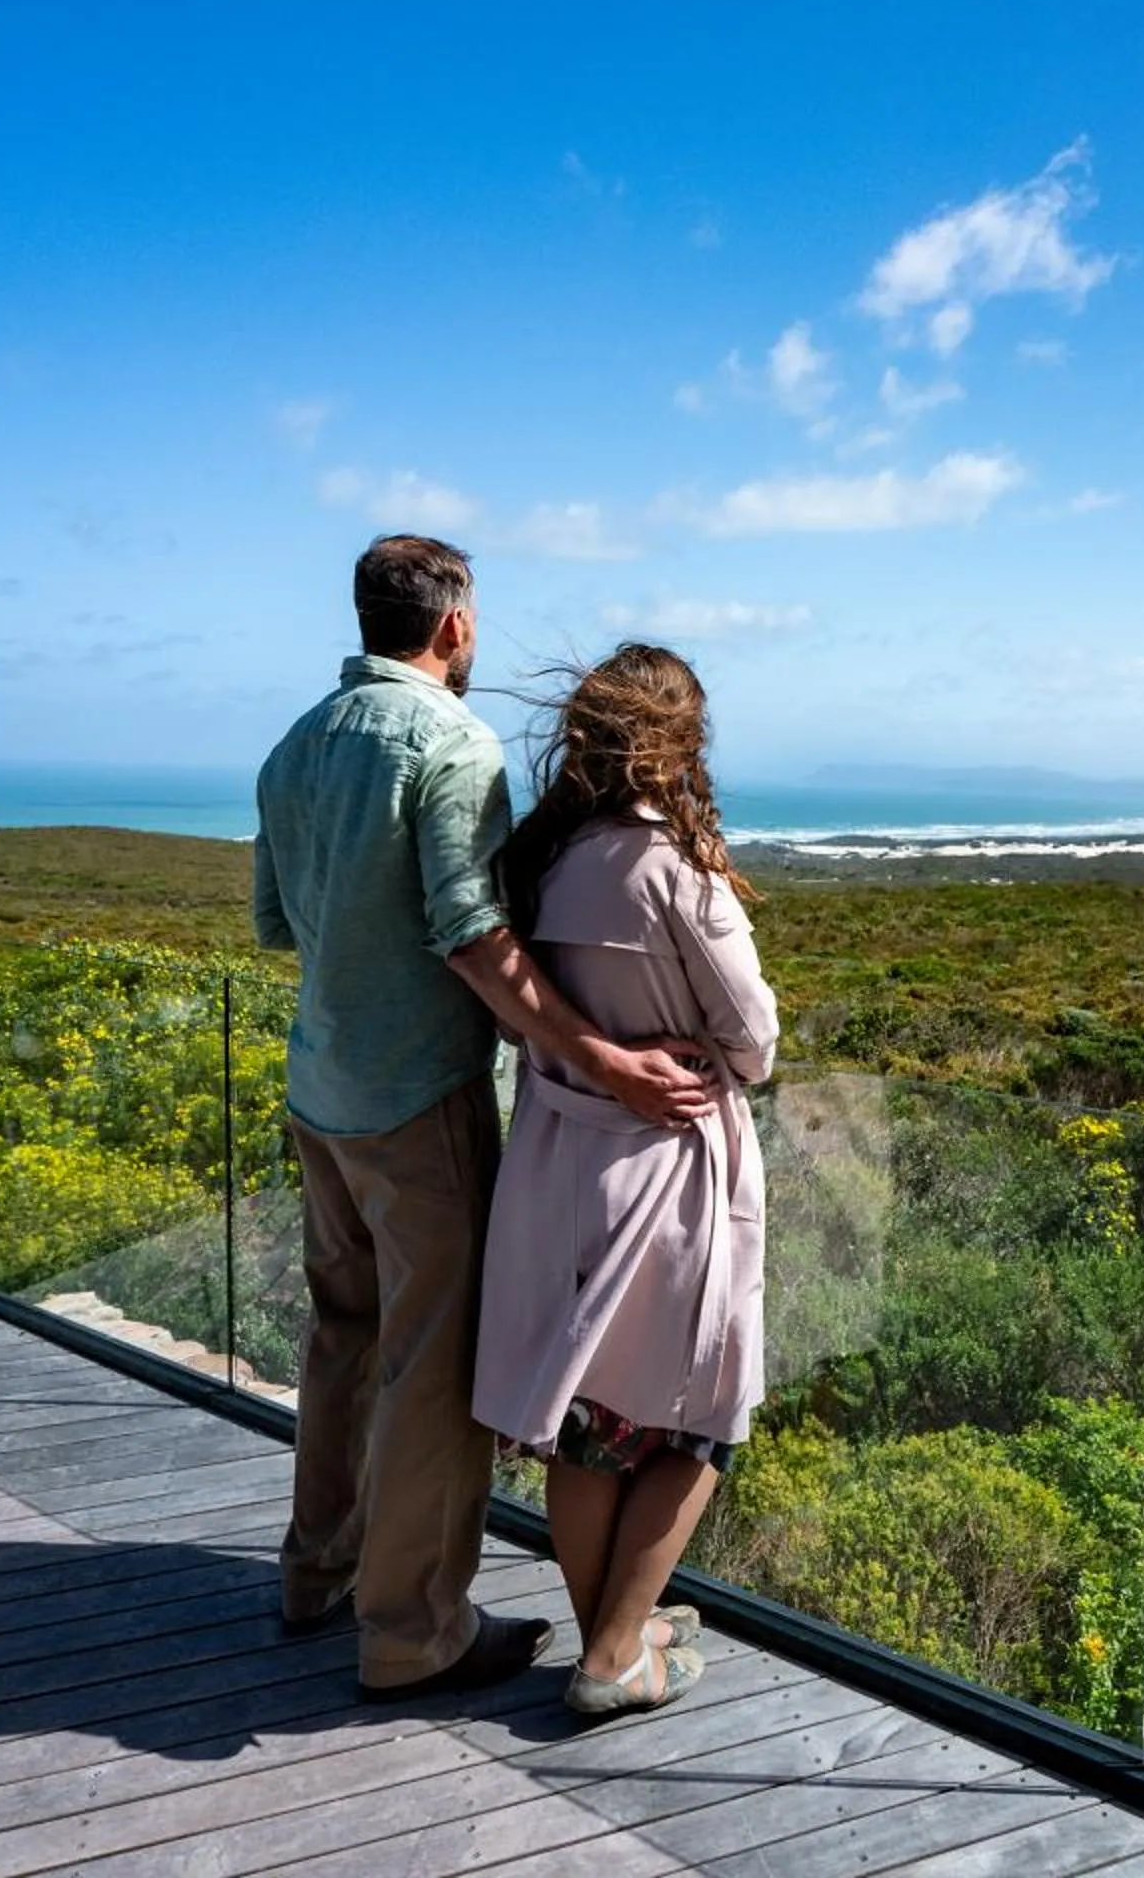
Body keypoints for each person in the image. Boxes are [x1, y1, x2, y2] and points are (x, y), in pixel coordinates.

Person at [251, 535, 714, 1700]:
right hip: (417, 1095)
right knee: (432, 1365)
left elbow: (274, 919)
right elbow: (470, 928)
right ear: (453, 627)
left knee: (345, 1334)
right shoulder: (449, 742)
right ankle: (413, 1630)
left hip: (321, 1088)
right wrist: (597, 1053)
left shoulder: (296, 744)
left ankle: (319, 1569)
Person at [473, 643, 778, 1717]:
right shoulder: (674, 874)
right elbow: (753, 1036)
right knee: (701, 1415)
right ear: (681, 746)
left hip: (559, 1166)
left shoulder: (542, 861)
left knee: (593, 1418)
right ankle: (611, 1657)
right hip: (668, 1175)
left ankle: (620, 1628)